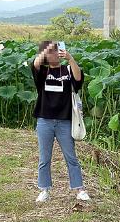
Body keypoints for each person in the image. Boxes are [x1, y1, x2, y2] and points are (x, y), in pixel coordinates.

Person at [30, 40, 90, 203]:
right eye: (51, 51)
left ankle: (79, 189)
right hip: (44, 121)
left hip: (65, 121)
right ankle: (44, 189)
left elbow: (78, 80)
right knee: (44, 158)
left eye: (57, 50)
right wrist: (47, 48)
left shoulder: (68, 70)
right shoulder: (42, 72)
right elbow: (35, 63)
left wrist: (70, 59)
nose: (55, 53)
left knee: (71, 157)